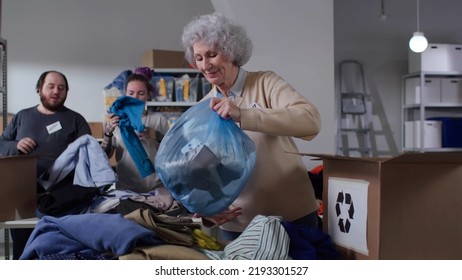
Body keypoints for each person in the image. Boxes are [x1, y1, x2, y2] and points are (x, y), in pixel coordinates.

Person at [181, 12, 322, 240]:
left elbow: (310, 121)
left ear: (231, 51)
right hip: (237, 227)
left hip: (293, 219)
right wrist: (207, 209)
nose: (205, 65)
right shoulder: (202, 108)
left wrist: (244, 114)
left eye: (212, 54)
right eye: (198, 58)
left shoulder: (265, 82)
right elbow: (200, 173)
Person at [0, 70, 92, 259]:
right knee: (23, 250)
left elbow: (92, 155)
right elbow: (1, 144)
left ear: (66, 92)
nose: (56, 91)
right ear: (39, 89)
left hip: (63, 199)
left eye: (61, 87)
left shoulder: (76, 120)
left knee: (56, 251)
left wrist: (107, 141)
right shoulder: (22, 116)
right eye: (51, 86)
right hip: (23, 196)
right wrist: (15, 145)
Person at [102, 71, 170, 193]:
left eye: (141, 93)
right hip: (126, 189)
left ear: (148, 95)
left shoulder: (159, 119)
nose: (135, 98)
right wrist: (108, 133)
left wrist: (154, 134)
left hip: (157, 188)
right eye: (131, 93)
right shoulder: (117, 121)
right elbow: (104, 156)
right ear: (125, 95)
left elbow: (172, 152)